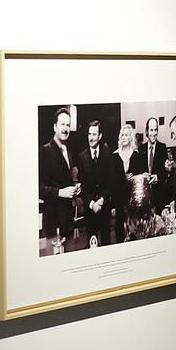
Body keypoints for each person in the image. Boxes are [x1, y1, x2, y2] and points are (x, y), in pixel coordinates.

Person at [38, 107, 80, 252]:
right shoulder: (45, 151)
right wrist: (60, 192)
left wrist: (75, 187)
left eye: (68, 125)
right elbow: (38, 189)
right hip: (53, 221)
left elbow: (67, 180)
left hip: (67, 221)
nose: (65, 128)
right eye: (62, 124)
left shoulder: (68, 150)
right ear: (55, 126)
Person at [77, 117, 122, 248]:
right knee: (92, 245)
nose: (91, 137)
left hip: (104, 208)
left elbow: (110, 181)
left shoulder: (107, 154)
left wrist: (102, 199)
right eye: (89, 134)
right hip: (90, 210)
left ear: (100, 136)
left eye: (94, 134)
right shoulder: (82, 157)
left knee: (107, 244)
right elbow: (83, 186)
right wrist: (92, 204)